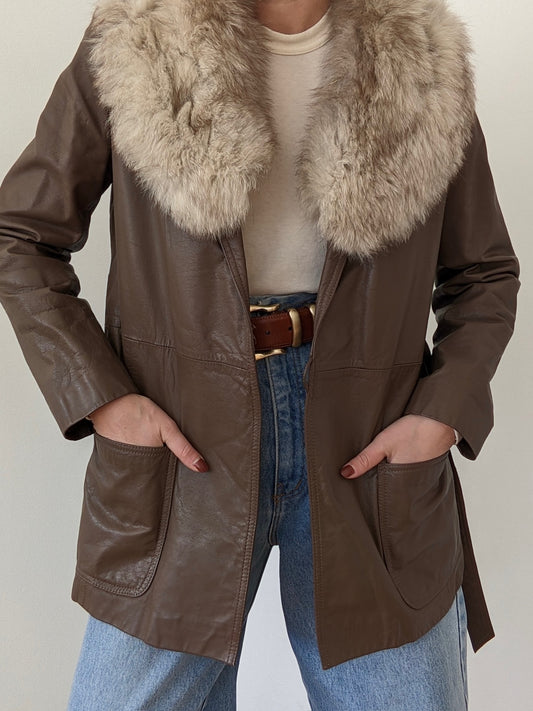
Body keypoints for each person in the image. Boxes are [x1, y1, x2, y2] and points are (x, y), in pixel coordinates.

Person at [0, 0, 520, 709]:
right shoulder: (140, 33)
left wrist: (441, 413)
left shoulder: (421, 56)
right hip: (183, 447)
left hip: (370, 446)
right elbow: (21, 236)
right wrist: (104, 399)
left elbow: (483, 272)